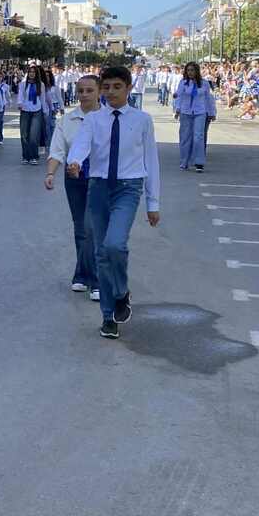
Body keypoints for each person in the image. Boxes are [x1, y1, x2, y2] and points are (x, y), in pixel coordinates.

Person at [67, 66, 161, 340]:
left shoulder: (142, 120)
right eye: (106, 87)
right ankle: (109, 316)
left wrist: (153, 202)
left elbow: (151, 160)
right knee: (101, 252)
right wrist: (75, 161)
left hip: (128, 188)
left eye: (117, 86)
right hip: (98, 187)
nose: (110, 92)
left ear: (129, 88)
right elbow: (81, 145)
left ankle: (120, 292)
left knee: (115, 245)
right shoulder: (93, 119)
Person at [45, 74, 101, 301]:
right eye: (80, 91)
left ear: (99, 92)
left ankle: (96, 279)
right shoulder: (67, 121)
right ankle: (82, 275)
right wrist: (51, 173)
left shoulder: (108, 119)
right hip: (74, 178)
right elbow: (57, 150)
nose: (84, 95)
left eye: (89, 90)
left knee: (91, 227)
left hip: (100, 179)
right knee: (80, 228)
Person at [173, 61, 216, 172]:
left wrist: (211, 113)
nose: (190, 72)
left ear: (197, 71)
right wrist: (177, 109)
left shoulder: (204, 83)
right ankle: (184, 161)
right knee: (185, 137)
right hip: (186, 112)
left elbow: (208, 99)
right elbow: (179, 96)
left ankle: (199, 162)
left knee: (198, 137)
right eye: (188, 70)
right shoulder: (183, 83)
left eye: (192, 70)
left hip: (200, 112)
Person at [17, 64, 45, 164]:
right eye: (30, 72)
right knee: (24, 135)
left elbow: (42, 98)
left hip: (36, 110)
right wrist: (20, 103)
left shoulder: (40, 84)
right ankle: (25, 156)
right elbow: (20, 95)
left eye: (34, 72)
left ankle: (34, 156)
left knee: (34, 135)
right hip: (25, 110)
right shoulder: (23, 84)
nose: (32, 74)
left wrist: (45, 111)